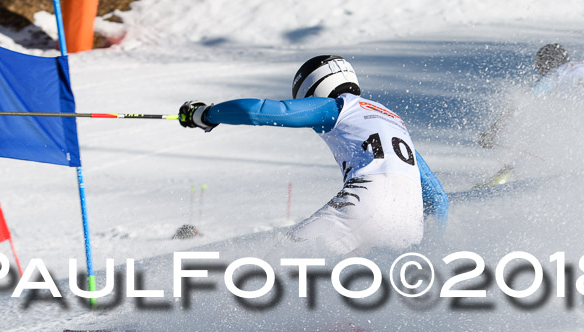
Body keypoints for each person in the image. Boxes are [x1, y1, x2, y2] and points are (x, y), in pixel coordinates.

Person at [178, 55, 448, 254]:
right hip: (409, 221)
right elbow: (437, 198)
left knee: (282, 263)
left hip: (367, 199)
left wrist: (205, 114)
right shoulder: (394, 123)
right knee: (350, 291)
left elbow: (259, 111)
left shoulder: (338, 106)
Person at [476, 44, 584, 186]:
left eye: (539, 66)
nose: (539, 70)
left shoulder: (556, 74)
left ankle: (501, 179)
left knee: (535, 136)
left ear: (547, 63)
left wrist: (493, 131)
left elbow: (520, 103)